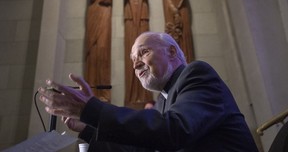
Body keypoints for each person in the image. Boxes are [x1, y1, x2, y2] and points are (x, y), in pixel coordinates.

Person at [38, 32, 259, 151]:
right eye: (133, 60)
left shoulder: (196, 74)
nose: (135, 66)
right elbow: (138, 148)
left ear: (171, 51)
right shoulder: (163, 101)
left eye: (143, 53)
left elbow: (175, 131)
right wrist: (88, 128)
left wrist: (94, 110)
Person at [123, 0, 152, 109]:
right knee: (132, 51)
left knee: (145, 49)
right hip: (130, 17)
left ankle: (145, 94)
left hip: (142, 16)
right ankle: (132, 94)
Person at [85, 0, 112, 102]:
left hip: (105, 12)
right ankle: (91, 91)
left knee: (102, 49)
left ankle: (103, 93)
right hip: (93, 12)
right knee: (92, 51)